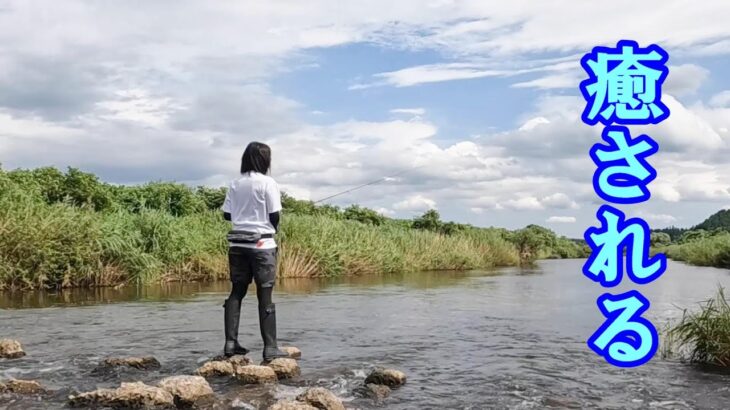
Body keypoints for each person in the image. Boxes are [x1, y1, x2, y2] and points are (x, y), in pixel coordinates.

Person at [221, 141, 289, 361]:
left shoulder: (235, 183)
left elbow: (227, 215)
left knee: (236, 292)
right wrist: (273, 229)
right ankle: (270, 348)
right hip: (262, 246)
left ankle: (230, 343)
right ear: (264, 160)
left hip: (237, 245)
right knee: (265, 294)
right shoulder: (268, 183)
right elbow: (274, 215)